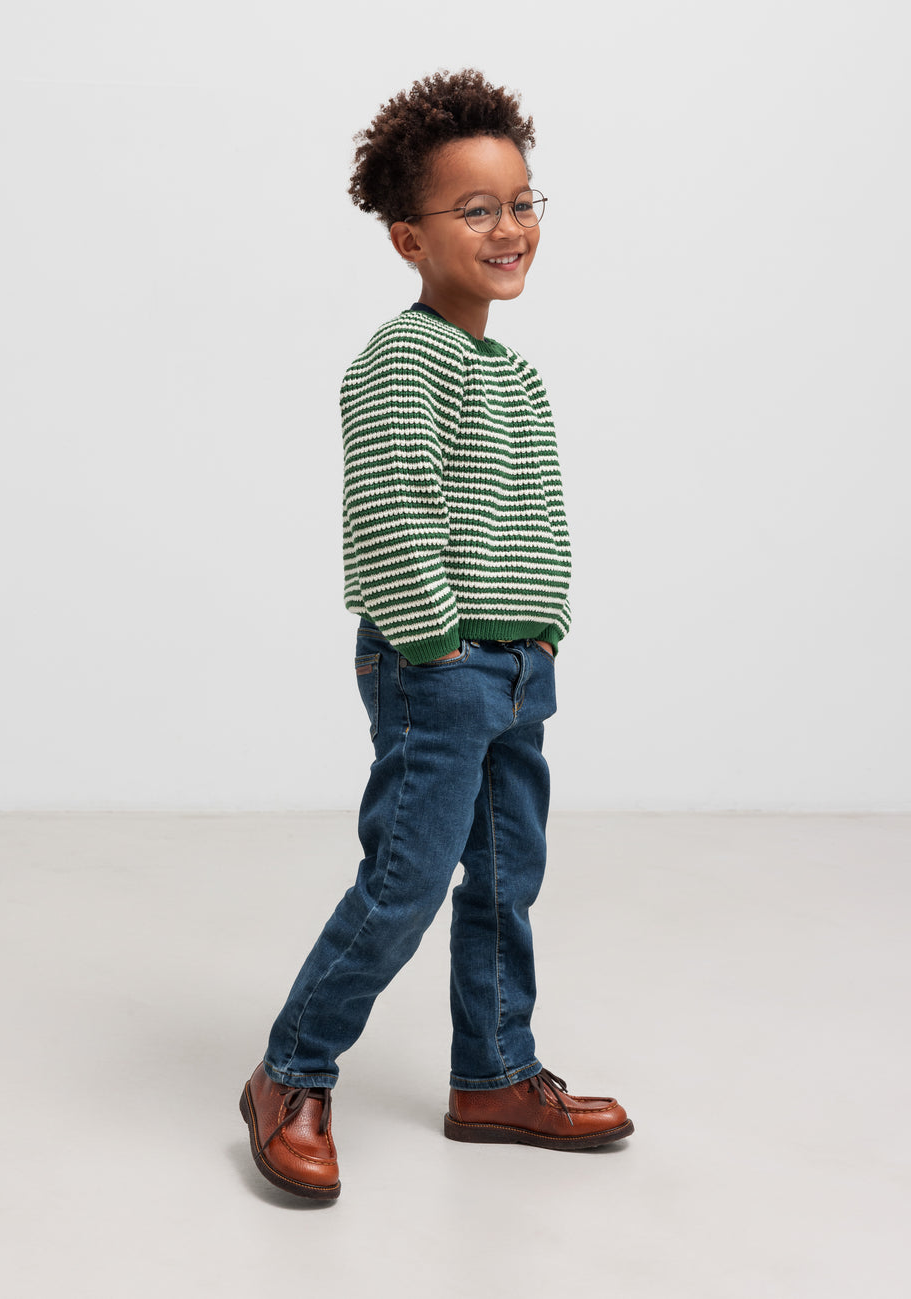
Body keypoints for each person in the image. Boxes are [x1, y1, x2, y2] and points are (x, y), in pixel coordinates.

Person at [240, 69, 633, 1201]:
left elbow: (536, 514)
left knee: (507, 878)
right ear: (410, 237)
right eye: (476, 210)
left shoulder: (513, 374)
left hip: (514, 667)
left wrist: (544, 634)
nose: (508, 228)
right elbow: (390, 516)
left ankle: (494, 1075)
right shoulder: (401, 362)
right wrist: (438, 649)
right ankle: (291, 1070)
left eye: (521, 203)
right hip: (438, 666)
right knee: (406, 879)